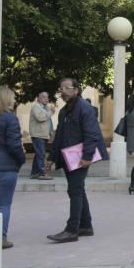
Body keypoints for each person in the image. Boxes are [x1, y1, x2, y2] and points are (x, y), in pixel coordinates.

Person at [45, 78, 105, 243]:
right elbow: (59, 136)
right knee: (77, 190)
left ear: (76, 90)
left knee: (75, 190)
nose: (63, 91)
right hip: (68, 156)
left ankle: (72, 230)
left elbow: (92, 134)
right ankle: (86, 226)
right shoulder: (65, 111)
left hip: (79, 158)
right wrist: (51, 157)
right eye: (61, 88)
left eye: (67, 88)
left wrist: (87, 157)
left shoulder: (84, 109)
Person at [0, 86, 25, 249]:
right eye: (13, 97)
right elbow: (14, 145)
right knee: (4, 204)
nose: (15, 100)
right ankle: (0, 237)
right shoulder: (10, 119)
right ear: (6, 99)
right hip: (6, 166)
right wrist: (21, 160)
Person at [28, 91, 55, 179]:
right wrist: (51, 112)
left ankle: (34, 173)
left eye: (47, 97)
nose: (46, 99)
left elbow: (47, 121)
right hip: (38, 134)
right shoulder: (36, 106)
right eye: (44, 97)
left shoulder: (45, 107)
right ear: (38, 98)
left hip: (43, 134)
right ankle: (41, 174)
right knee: (41, 154)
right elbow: (40, 118)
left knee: (39, 154)